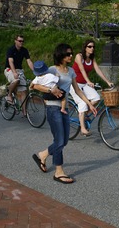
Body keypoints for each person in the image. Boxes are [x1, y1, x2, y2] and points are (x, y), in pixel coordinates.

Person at [31, 43, 97, 184]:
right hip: (52, 107)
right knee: (60, 140)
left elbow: (78, 91)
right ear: (60, 55)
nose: (71, 56)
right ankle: (58, 172)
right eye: (68, 54)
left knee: (63, 140)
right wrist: (51, 90)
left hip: (64, 108)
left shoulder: (71, 71)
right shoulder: (51, 70)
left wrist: (89, 103)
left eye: (71, 53)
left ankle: (42, 155)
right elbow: (34, 85)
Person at [69, 39, 115, 136]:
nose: (92, 48)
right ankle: (82, 128)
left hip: (84, 84)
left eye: (93, 47)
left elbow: (98, 70)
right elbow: (82, 70)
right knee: (82, 103)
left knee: (96, 97)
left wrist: (107, 81)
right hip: (74, 83)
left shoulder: (92, 59)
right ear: (85, 48)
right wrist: (89, 81)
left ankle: (84, 114)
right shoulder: (79, 56)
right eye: (89, 46)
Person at [4, 34, 34, 115]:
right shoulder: (11, 49)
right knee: (16, 80)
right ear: (15, 41)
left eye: (23, 41)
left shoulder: (24, 50)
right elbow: (10, 61)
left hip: (19, 70)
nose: (21, 42)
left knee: (24, 90)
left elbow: (29, 61)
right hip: (10, 69)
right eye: (20, 41)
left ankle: (24, 111)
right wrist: (14, 72)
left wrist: (35, 71)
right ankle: (9, 95)